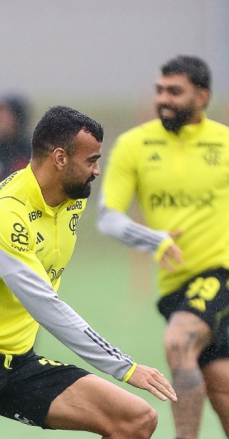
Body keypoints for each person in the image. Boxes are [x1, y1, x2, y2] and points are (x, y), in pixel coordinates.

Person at [0, 105, 177, 438]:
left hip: (17, 359)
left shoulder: (69, 195)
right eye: (91, 161)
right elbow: (44, 303)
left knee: (136, 419)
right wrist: (125, 367)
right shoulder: (6, 210)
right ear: (60, 158)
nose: (97, 171)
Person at [97, 55, 229, 439]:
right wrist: (150, 238)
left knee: (178, 342)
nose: (163, 98)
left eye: (175, 91)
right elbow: (108, 217)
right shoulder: (134, 145)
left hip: (221, 275)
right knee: (219, 384)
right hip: (175, 285)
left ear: (201, 96)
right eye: (159, 90)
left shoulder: (224, 142)